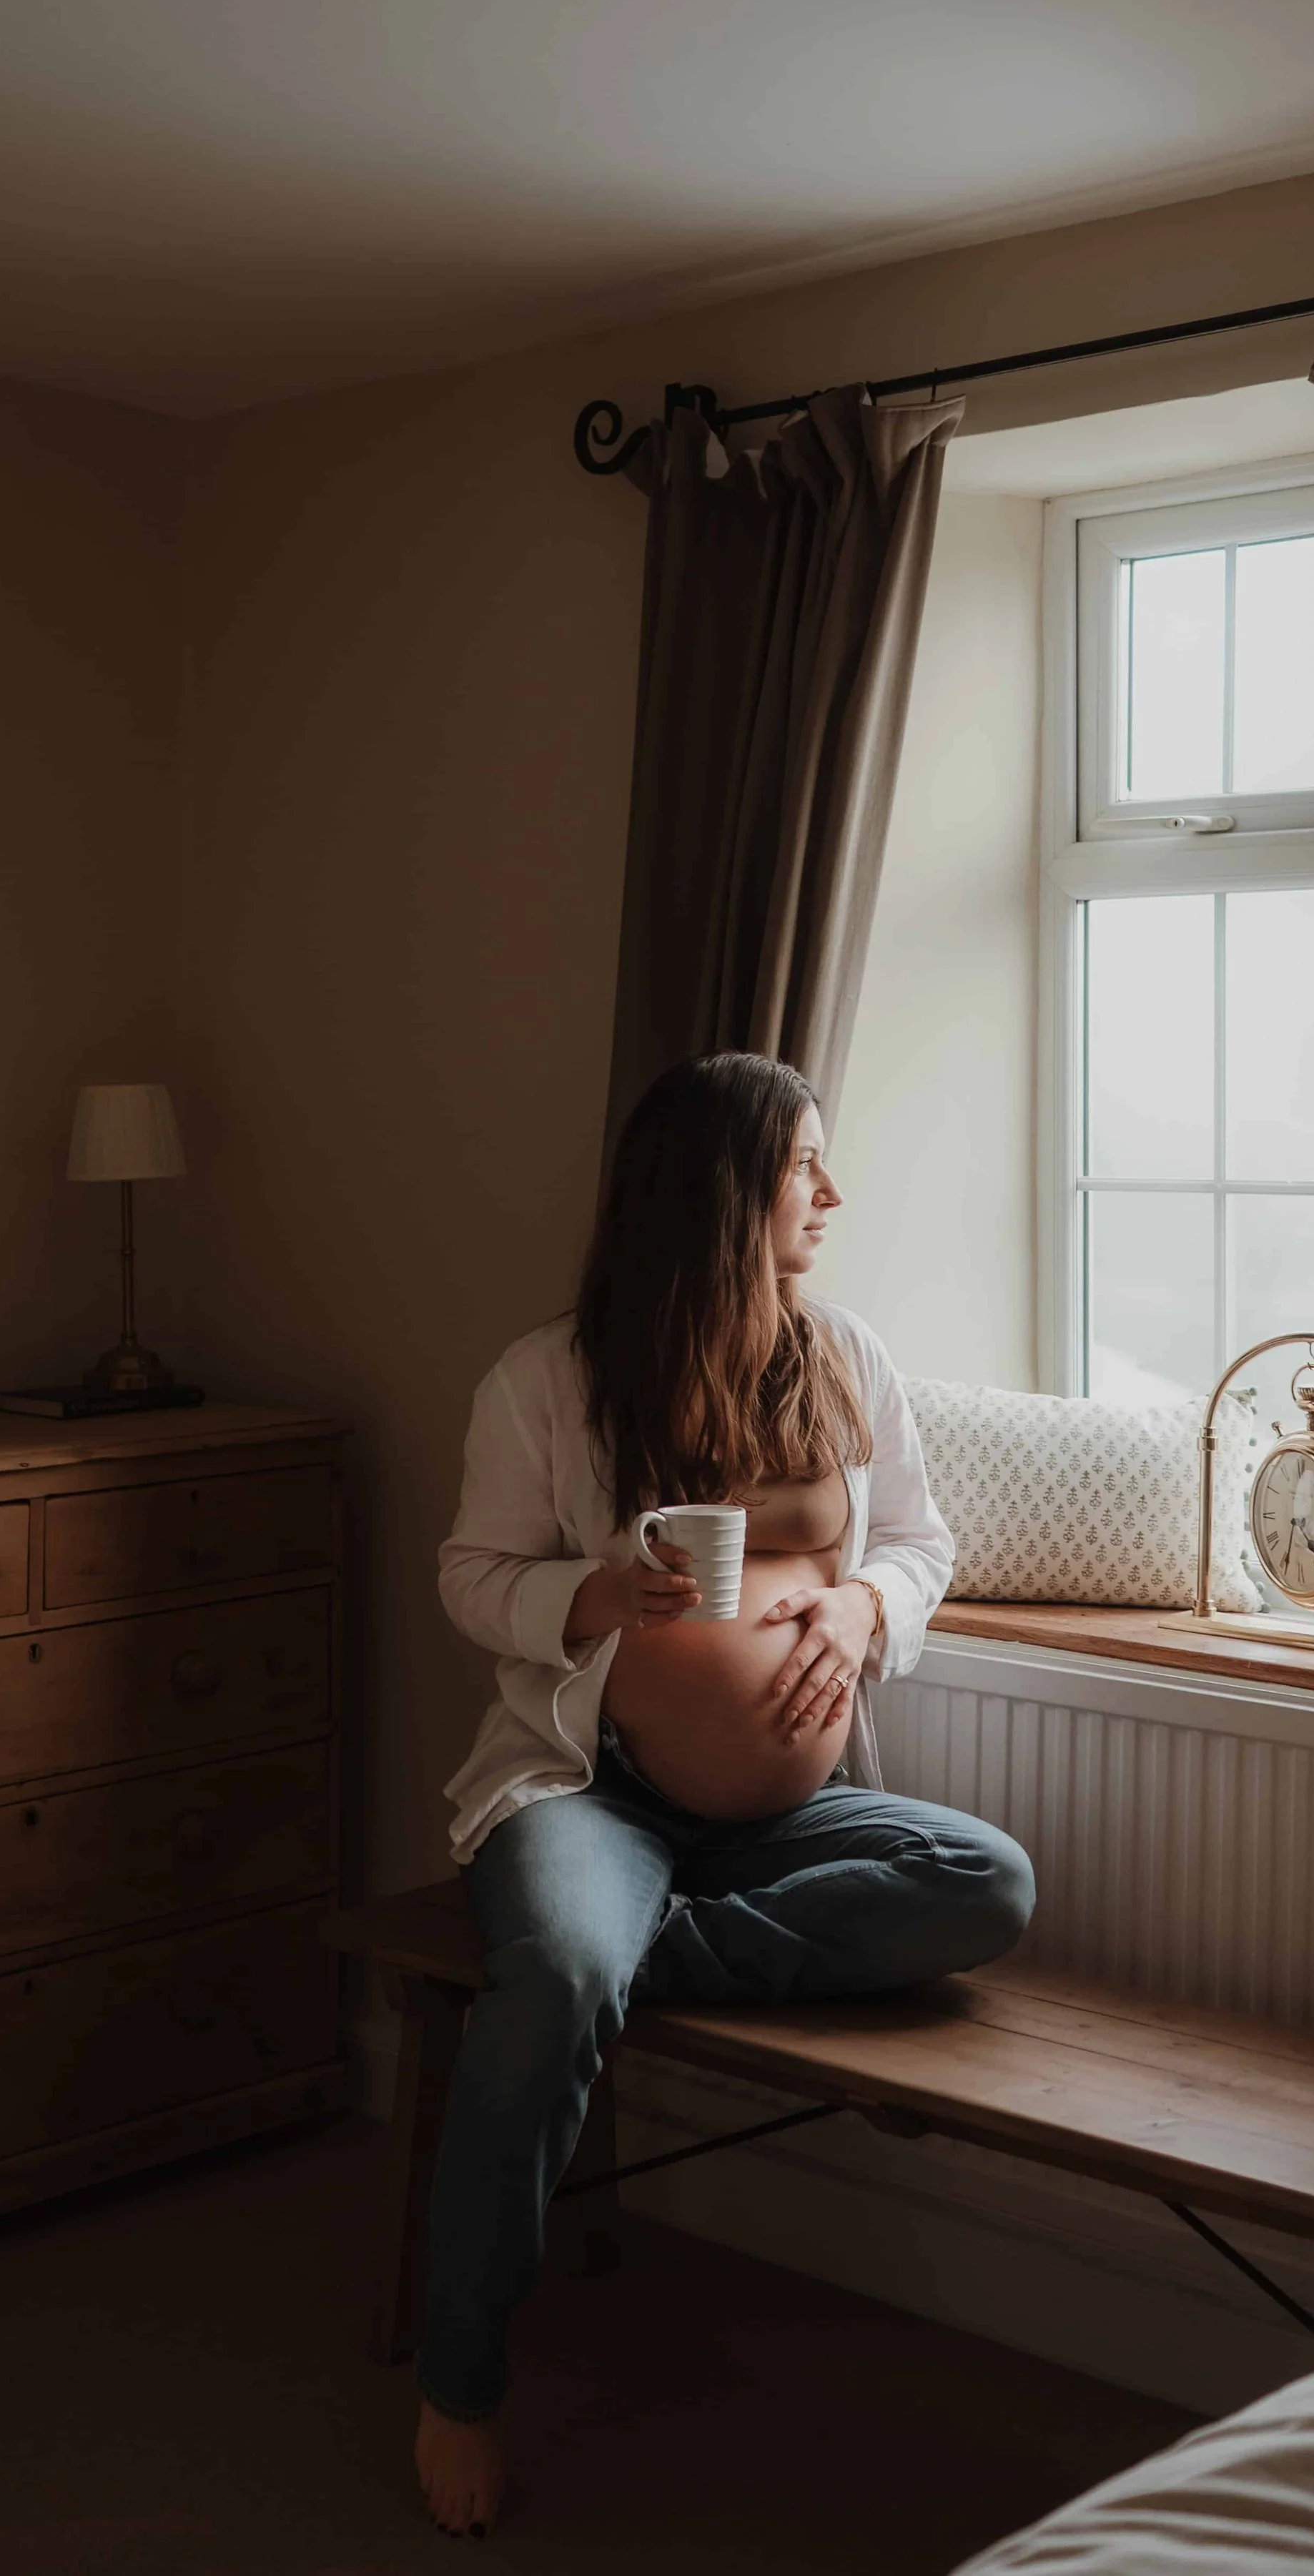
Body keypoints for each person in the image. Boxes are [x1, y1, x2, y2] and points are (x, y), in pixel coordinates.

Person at [418, 1052, 1035, 2535]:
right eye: (801, 1166)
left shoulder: (848, 1358)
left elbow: (920, 1540)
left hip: (778, 1825)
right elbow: (468, 1577)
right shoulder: (547, 1378)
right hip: (594, 1792)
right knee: (556, 1975)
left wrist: (862, 1613)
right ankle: (458, 2382)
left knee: (982, 1884)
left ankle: (647, 1950)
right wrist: (595, 1594)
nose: (831, 1192)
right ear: (719, 1193)